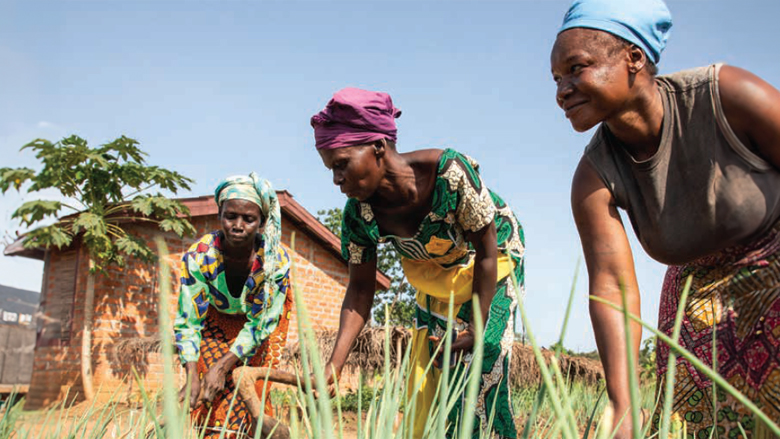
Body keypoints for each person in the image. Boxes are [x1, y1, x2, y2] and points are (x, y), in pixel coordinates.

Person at [551, 0, 780, 437]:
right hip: (697, 306)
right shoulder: (594, 176)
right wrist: (623, 404)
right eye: (557, 79)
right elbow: (612, 288)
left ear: (634, 58)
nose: (562, 90)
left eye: (576, 68)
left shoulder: (724, 95)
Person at [310, 87, 525, 438]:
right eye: (330, 170)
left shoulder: (448, 173)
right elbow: (361, 288)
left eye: (341, 164)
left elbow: (486, 252)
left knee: (482, 363)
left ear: (378, 147)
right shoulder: (359, 214)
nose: (336, 179)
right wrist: (335, 362)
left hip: (491, 260)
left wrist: (478, 325)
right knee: (437, 370)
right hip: (433, 274)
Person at [174, 173, 294, 438]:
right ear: (220, 215)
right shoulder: (199, 256)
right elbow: (188, 320)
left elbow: (260, 324)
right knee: (207, 384)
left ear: (261, 222)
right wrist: (191, 372)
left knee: (246, 381)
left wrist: (224, 365)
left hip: (257, 324)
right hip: (214, 318)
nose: (238, 226)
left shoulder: (275, 262)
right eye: (231, 217)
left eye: (249, 219)